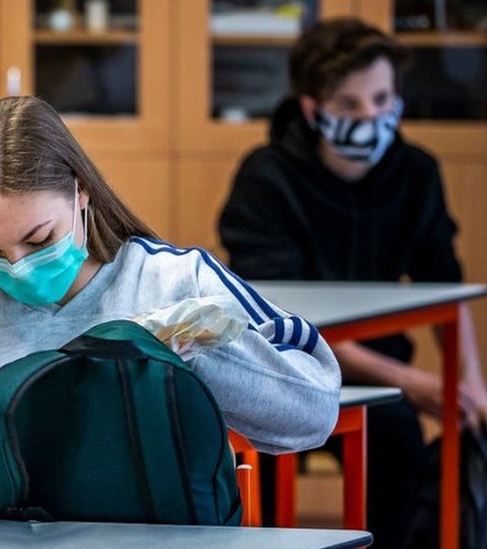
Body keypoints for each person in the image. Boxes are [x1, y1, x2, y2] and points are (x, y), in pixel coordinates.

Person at [0, 95, 342, 517]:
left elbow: (314, 411)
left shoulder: (175, 284)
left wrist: (200, 350)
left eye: (39, 240)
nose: (19, 269)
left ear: (80, 193)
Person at [218, 18, 487, 548]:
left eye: (383, 98)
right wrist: (418, 384)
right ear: (313, 108)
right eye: (350, 105)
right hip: (279, 371)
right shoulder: (265, 178)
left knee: (397, 455)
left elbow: (446, 288)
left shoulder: (416, 173)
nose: (372, 117)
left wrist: (470, 387)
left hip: (379, 371)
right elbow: (274, 320)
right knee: (264, 469)